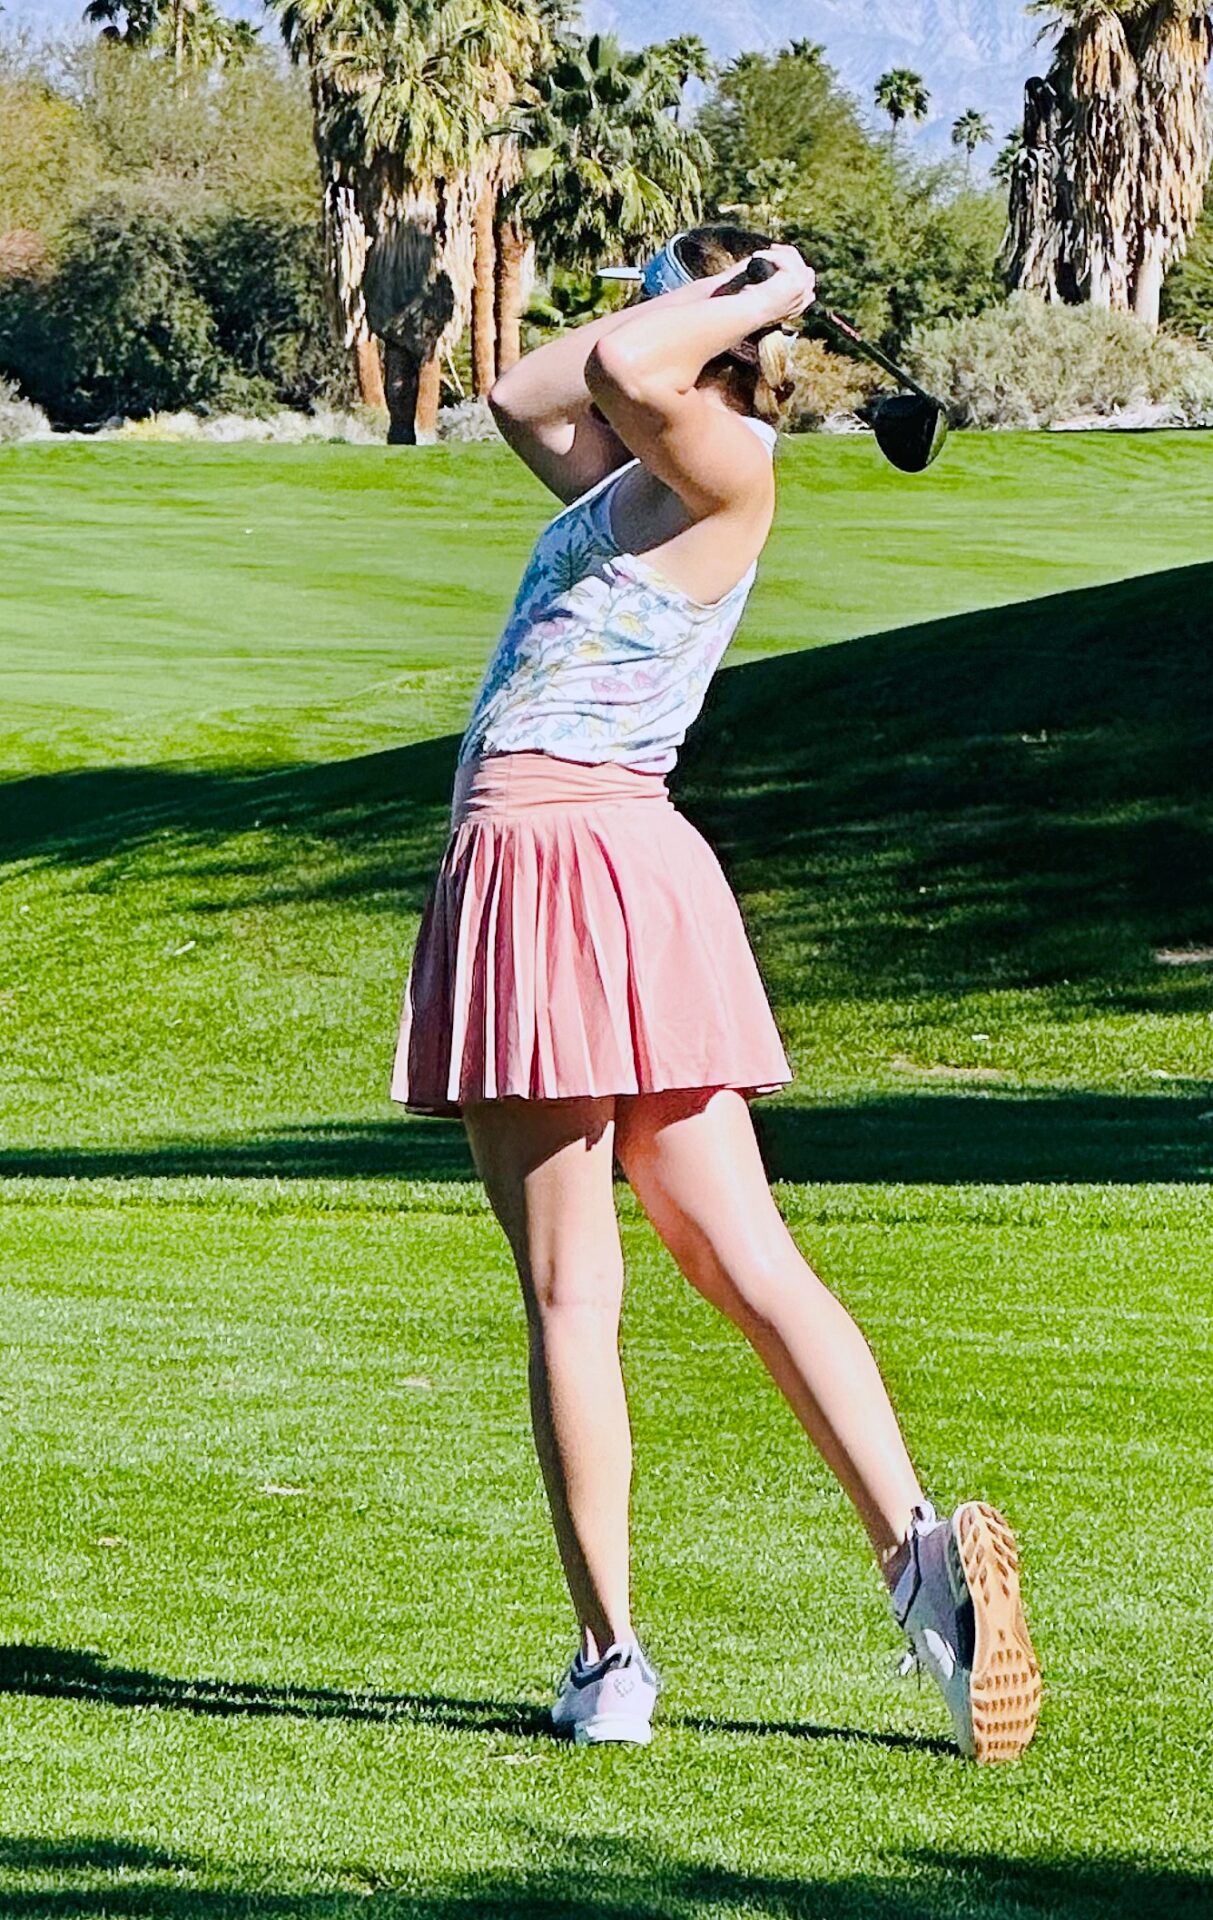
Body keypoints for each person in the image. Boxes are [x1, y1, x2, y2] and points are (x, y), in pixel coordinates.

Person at [391, 227, 1041, 1762]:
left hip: (553, 858)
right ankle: (918, 1563)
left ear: (714, 332)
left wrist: (762, 286)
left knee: (579, 1287)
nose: (629, 319)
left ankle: (610, 1659)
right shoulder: (630, 479)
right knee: (731, 1253)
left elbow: (616, 364)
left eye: (658, 298)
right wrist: (715, 293)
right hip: (612, 868)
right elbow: (520, 388)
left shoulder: (724, 461)